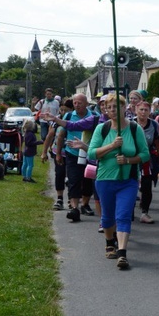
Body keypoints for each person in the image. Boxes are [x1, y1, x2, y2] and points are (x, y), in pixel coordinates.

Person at [88, 93, 150, 269]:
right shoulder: (102, 129)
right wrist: (112, 146)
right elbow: (92, 153)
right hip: (105, 178)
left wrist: (129, 160)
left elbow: (145, 154)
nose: (113, 110)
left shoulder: (134, 128)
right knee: (108, 216)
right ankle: (109, 242)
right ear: (106, 110)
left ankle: (122, 253)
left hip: (128, 180)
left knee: (123, 215)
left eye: (117, 106)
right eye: (110, 107)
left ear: (125, 108)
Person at [61, 94, 95, 222]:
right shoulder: (69, 116)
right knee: (73, 180)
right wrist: (58, 152)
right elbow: (61, 134)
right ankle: (74, 208)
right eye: (75, 102)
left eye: (80, 102)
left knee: (87, 180)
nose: (77, 105)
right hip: (72, 153)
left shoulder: (93, 117)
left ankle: (85, 204)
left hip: (88, 153)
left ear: (86, 103)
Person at [42, 98, 73, 210]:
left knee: (72, 176)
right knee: (59, 174)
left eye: (66, 111)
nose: (63, 113)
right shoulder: (56, 121)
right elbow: (49, 136)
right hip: (58, 152)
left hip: (72, 152)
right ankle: (59, 198)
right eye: (62, 110)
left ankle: (72, 198)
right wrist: (44, 152)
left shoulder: (75, 120)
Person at [135, 101, 159, 223]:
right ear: (136, 110)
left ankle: (145, 212)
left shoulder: (154, 125)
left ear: (150, 111)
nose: (143, 112)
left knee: (146, 186)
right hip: (131, 157)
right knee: (130, 184)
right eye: (141, 110)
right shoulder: (130, 124)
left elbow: (157, 141)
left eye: (146, 110)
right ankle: (128, 211)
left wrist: (157, 157)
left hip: (147, 159)